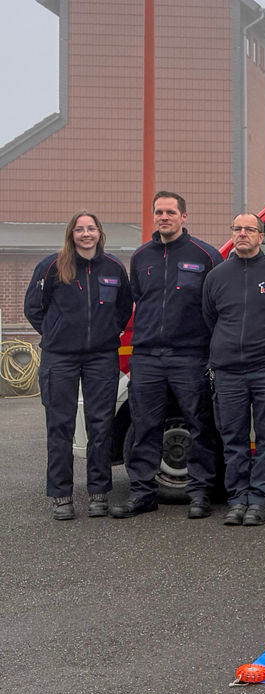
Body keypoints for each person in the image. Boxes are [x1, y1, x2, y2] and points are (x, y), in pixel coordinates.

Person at [109, 192, 223, 520]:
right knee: (145, 426)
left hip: (190, 355)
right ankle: (143, 494)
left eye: (171, 212)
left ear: (184, 217)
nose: (164, 217)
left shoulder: (206, 255)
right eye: (159, 212)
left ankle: (200, 493)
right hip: (146, 357)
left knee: (200, 425)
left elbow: (216, 306)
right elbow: (137, 300)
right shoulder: (141, 256)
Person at [24, 212, 133, 520]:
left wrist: (108, 331)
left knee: (101, 426)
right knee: (60, 427)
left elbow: (124, 306)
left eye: (91, 228)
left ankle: (99, 493)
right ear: (71, 234)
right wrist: (56, 333)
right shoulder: (51, 266)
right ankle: (61, 496)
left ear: (99, 233)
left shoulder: (113, 268)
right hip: (60, 358)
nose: (86, 234)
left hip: (101, 356)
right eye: (80, 229)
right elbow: (33, 307)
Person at [202, 213, 265, 527]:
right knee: (233, 439)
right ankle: (236, 499)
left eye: (249, 229)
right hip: (228, 372)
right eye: (237, 229)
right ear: (232, 234)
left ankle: (259, 499)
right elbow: (210, 319)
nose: (242, 234)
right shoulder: (216, 277)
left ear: (262, 236)